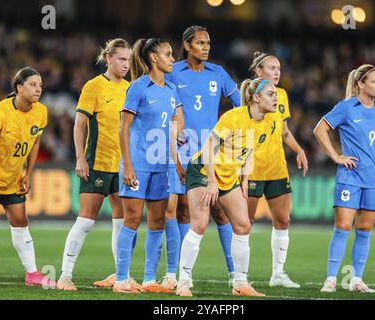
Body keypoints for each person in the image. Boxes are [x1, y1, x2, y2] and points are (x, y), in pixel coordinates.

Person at [176, 77, 278, 297]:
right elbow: (207, 148)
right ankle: (183, 281)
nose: (275, 97)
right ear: (257, 98)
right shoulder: (234, 117)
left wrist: (244, 180)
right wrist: (212, 182)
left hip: (229, 176)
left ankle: (240, 284)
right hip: (204, 170)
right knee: (200, 224)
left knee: (243, 225)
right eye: (271, 94)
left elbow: (249, 151)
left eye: (275, 93)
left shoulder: (270, 122)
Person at [161, 25, 241, 290]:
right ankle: (182, 274)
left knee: (221, 213)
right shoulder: (173, 72)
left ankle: (234, 274)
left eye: (208, 43)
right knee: (182, 210)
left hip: (213, 152)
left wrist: (235, 135)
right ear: (187, 45)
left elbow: (240, 104)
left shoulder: (218, 73)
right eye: (200, 43)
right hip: (182, 149)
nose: (206, 47)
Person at [56, 39, 135, 291]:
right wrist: (80, 157)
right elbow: (79, 125)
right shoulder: (93, 87)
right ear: (108, 58)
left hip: (122, 165)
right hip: (98, 162)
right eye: (122, 59)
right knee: (86, 221)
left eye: (129, 60)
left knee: (121, 224)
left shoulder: (130, 88)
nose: (126, 64)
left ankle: (120, 275)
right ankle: (64, 276)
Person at [313, 64, 375, 293]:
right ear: (361, 84)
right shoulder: (347, 107)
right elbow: (320, 130)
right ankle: (331, 279)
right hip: (350, 176)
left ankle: (357, 279)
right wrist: (336, 156)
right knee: (342, 226)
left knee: (365, 229)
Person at [113, 38, 183, 294]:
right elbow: (124, 127)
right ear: (154, 57)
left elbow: (172, 129)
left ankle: (149, 279)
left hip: (161, 165)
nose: (173, 58)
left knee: (157, 222)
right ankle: (121, 279)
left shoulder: (171, 90)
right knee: (131, 220)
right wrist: (128, 166)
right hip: (138, 164)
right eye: (168, 54)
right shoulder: (138, 87)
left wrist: (175, 162)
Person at [0, 67, 55, 287]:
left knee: (20, 222)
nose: (38, 88)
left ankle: (32, 274)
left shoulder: (41, 112)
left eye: (40, 85)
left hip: (13, 177)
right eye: (32, 84)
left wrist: (28, 173)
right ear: (19, 87)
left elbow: (35, 141)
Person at [247, 52, 308, 288]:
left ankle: (278, 274)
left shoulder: (281, 95)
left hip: (277, 167)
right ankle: (240, 275)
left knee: (282, 220)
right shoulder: (248, 95)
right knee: (245, 223)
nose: (277, 72)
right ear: (258, 71)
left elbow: (284, 132)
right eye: (272, 67)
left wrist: (299, 149)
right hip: (251, 168)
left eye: (279, 68)